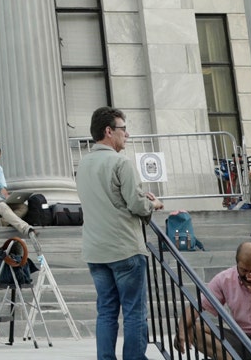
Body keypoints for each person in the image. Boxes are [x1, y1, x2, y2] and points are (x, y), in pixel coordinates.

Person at [79, 106, 162, 360]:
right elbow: (136, 204)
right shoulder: (120, 162)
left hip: (95, 250)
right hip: (124, 247)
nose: (127, 134)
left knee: (106, 311)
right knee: (134, 311)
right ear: (109, 131)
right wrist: (153, 204)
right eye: (123, 129)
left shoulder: (83, 164)